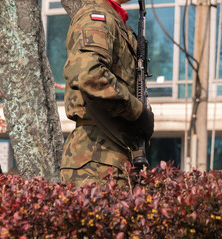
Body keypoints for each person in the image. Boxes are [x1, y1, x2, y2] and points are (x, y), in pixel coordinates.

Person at [61, 0, 154, 187]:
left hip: (112, 154)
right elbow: (89, 74)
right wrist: (138, 111)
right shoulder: (97, 18)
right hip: (96, 157)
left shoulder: (113, 20)